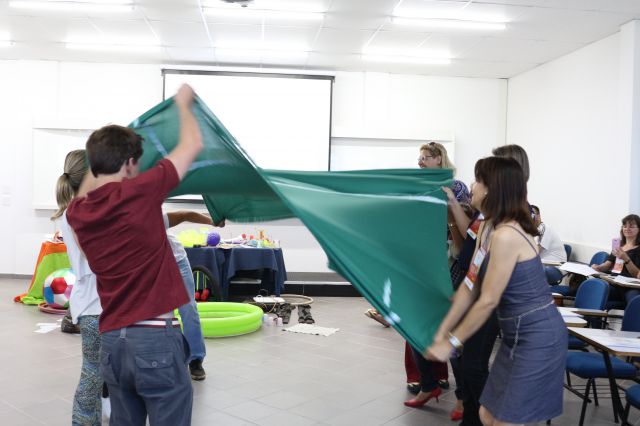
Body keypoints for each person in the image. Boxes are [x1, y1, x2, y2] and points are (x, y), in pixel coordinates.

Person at [67, 84, 204, 425]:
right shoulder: (142, 192)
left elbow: (87, 188)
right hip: (155, 339)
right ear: (129, 164)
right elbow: (192, 145)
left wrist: (100, 155)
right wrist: (183, 103)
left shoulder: (77, 213)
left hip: (113, 342)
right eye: (136, 163)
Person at [427, 156, 566, 425]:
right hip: (516, 335)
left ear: (492, 189)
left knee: (504, 420)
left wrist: (450, 343)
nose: (472, 186)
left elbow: (487, 300)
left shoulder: (506, 235)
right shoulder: (490, 227)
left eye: (478, 180)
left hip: (538, 337)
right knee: (487, 414)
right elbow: (470, 286)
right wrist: (444, 331)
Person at [52, 149, 104, 425]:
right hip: (97, 305)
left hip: (89, 302)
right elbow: (97, 259)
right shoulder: (82, 214)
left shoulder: (71, 211)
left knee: (95, 373)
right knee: (93, 374)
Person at [163, 210, 225, 380]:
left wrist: (212, 221)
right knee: (161, 314)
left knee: (188, 308)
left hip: (177, 261)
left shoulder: (153, 216)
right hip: (153, 267)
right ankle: (166, 359)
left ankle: (195, 359)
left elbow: (186, 214)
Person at [591, 214, 640, 306]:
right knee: (593, 288)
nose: (627, 229)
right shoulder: (618, 245)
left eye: (631, 226)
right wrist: (599, 267)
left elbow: (637, 274)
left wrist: (626, 259)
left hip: (630, 287)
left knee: (634, 301)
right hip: (614, 284)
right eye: (624, 226)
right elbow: (607, 264)